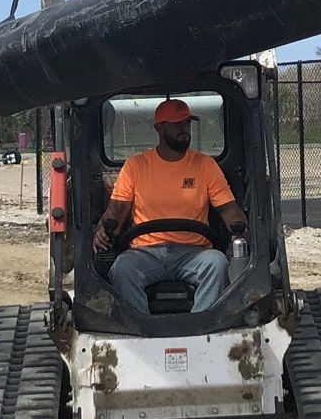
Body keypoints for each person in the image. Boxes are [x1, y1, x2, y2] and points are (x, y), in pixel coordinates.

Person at [95, 99, 247, 314]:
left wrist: (238, 227)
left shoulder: (205, 166)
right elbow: (116, 211)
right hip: (145, 253)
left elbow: (228, 209)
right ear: (159, 127)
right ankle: (140, 328)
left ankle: (201, 327)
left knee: (218, 264)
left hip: (194, 253)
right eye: (176, 123)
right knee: (122, 269)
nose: (184, 129)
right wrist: (103, 231)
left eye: (186, 123)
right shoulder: (135, 166)